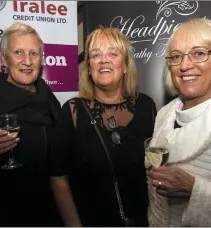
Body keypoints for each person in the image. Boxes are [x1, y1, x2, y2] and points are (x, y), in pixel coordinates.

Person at [147, 18, 211, 227]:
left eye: (199, 53)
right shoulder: (165, 114)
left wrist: (195, 190)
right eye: (176, 57)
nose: (185, 66)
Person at [51, 27, 157, 227]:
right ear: (89, 67)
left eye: (113, 54)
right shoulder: (73, 111)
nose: (103, 60)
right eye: (95, 55)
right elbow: (58, 178)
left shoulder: (147, 106)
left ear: (125, 65)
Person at [0, 22, 63, 227]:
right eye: (18, 52)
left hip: (47, 216)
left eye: (34, 53)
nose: (27, 61)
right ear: (4, 58)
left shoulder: (50, 101)